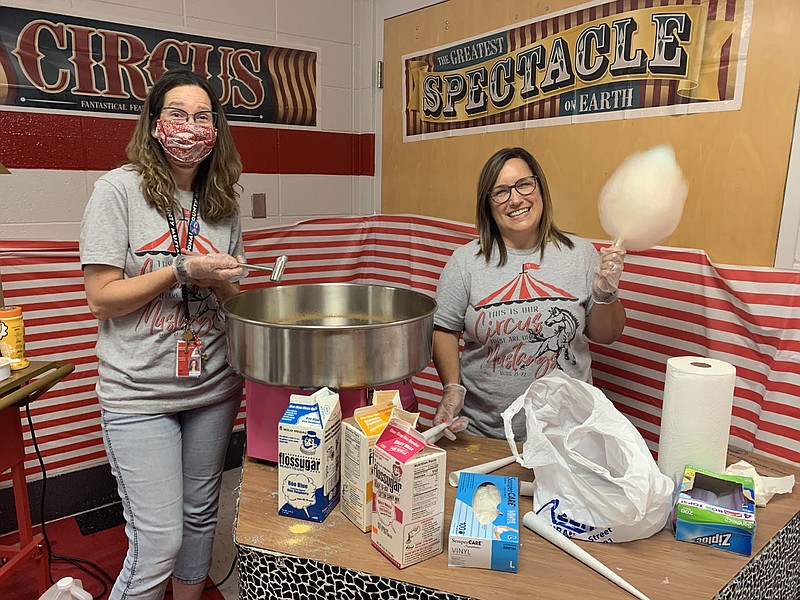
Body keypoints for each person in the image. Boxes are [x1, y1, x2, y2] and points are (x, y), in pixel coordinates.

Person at [79, 68, 245, 600]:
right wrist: (180, 270)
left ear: (216, 129)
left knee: (200, 516)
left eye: (202, 117)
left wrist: (225, 284)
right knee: (158, 538)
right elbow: (101, 297)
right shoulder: (117, 191)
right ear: (153, 123)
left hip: (212, 387)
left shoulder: (222, 201)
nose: (189, 127)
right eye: (176, 113)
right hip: (138, 395)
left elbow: (230, 299)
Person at [432, 147, 626, 440]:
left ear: (540, 188)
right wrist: (451, 388)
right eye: (501, 191)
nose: (516, 199)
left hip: (568, 436)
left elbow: (606, 335)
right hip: (487, 433)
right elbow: (444, 329)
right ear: (488, 204)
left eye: (524, 184)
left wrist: (605, 295)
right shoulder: (464, 262)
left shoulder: (581, 254)